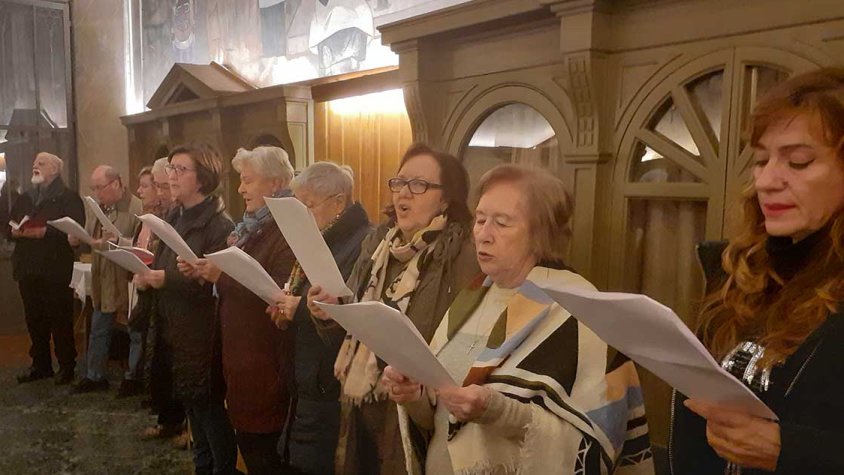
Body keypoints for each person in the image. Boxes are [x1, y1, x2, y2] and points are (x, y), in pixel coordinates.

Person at [382, 164, 654, 475]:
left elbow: (595, 443)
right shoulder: (473, 295)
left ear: (541, 234)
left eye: (502, 223)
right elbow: (445, 419)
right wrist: (414, 396)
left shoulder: (583, 311)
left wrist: (495, 410)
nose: (483, 235)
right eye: (480, 219)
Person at [670, 68, 844, 474]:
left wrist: (793, 449)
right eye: (762, 160)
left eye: (798, 162)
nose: (766, 181)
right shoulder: (743, 274)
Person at [308, 143, 479, 474]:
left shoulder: (462, 256)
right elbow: (355, 316)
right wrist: (332, 311)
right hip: (363, 402)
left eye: (419, 185)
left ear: (445, 199)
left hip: (417, 410)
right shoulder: (378, 245)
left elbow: (466, 344)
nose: (404, 194)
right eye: (399, 183)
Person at [180, 146, 296, 474]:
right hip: (243, 366)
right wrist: (209, 269)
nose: (240, 189)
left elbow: (281, 292)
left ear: (274, 184)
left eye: (247, 181)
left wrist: (223, 275)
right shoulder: (252, 228)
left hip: (266, 366)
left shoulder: (285, 229)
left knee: (266, 459)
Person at [133, 143, 238, 475]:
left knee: (209, 412)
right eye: (171, 169)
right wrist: (147, 273)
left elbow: (216, 280)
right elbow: (168, 262)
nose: (172, 176)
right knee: (193, 410)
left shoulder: (218, 224)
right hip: (174, 325)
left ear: (203, 177)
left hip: (202, 332)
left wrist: (166, 278)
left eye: (180, 170)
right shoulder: (175, 214)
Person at [269, 162, 371, 475]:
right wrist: (286, 307)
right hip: (306, 376)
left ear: (338, 202)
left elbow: (354, 309)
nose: (302, 216)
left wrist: (298, 308)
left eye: (308, 206)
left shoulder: (363, 242)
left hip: (328, 379)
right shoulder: (320, 238)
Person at [8, 152, 84, 384]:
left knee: (60, 318)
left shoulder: (68, 197)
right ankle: (40, 364)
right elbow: (11, 222)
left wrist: (45, 232)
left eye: (41, 163)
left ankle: (66, 365)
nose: (35, 166)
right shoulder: (26, 197)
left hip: (54, 269)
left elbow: (76, 228)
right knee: (34, 319)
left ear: (55, 169)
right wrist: (14, 230)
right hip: (28, 268)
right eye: (34, 163)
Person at [70, 165, 143, 393]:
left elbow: (142, 243)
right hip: (103, 274)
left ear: (116, 184)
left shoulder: (136, 207)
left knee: (135, 329)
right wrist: (78, 238)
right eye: (94, 188)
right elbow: (90, 236)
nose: (97, 193)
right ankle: (94, 375)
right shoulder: (96, 207)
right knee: (98, 327)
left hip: (126, 275)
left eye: (100, 187)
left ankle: (133, 377)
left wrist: (116, 241)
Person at [135, 157, 189, 446]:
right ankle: (167, 419)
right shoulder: (165, 215)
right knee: (162, 365)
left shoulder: (182, 216)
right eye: (159, 185)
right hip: (161, 302)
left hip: (181, 305)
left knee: (181, 369)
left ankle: (186, 425)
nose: (161, 192)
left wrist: (161, 276)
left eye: (164, 186)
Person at [116, 166, 160, 399]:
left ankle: (143, 380)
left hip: (154, 284)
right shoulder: (143, 219)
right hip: (140, 280)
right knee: (136, 331)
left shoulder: (162, 219)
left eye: (145, 186)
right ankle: (136, 376)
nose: (139, 191)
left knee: (148, 335)